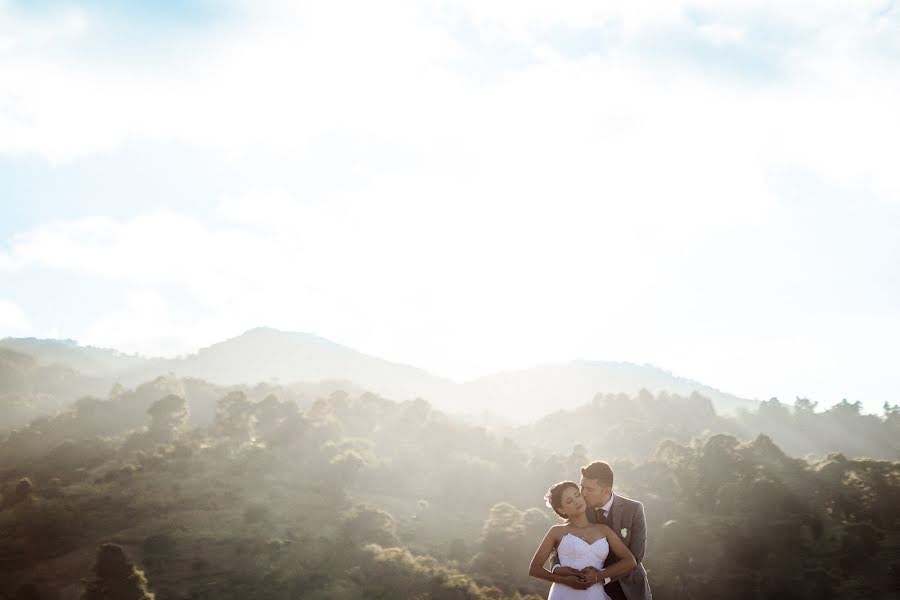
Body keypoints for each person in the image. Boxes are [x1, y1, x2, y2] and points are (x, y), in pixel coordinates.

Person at [554, 462, 652, 600]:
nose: (583, 493)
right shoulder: (581, 508)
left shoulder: (634, 510)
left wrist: (601, 576)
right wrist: (556, 567)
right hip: (590, 590)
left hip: (629, 589)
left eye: (589, 489)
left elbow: (636, 557)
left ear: (606, 491)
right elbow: (562, 540)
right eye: (582, 487)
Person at [529, 481, 637, 599]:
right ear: (561, 509)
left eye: (577, 495)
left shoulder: (603, 530)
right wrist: (565, 581)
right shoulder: (556, 531)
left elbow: (630, 561)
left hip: (596, 595)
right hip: (563, 594)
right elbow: (535, 569)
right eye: (569, 501)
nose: (576, 501)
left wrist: (599, 575)